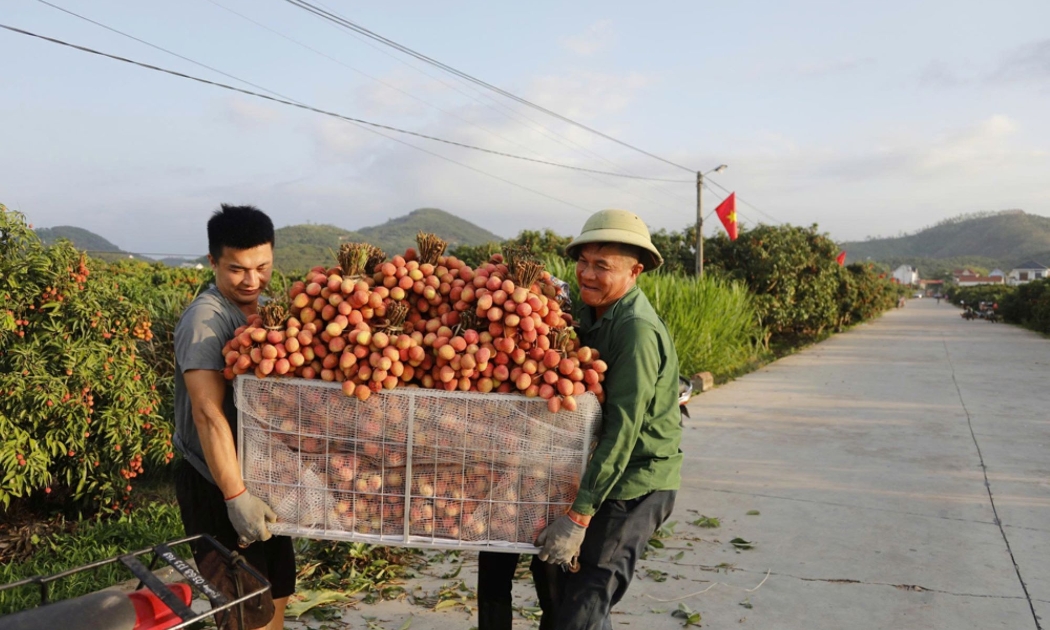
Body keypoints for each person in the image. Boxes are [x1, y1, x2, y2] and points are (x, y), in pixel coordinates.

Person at [530, 209, 682, 630]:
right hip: (594, 471)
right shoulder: (588, 312)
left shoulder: (636, 331)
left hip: (634, 482)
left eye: (602, 266)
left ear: (635, 272)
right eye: (583, 262)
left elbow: (623, 432)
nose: (587, 274)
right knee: (559, 599)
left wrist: (579, 516)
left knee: (584, 603)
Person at [173, 204, 293, 630]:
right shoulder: (205, 320)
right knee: (245, 617)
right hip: (217, 483)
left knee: (277, 596)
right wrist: (235, 497)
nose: (251, 280)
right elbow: (207, 412)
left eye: (262, 267)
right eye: (237, 269)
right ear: (213, 261)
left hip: (263, 480)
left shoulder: (269, 314)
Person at [475, 276, 575, 630]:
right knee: (495, 573)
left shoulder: (564, 352)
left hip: (549, 483)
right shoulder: (494, 354)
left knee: (550, 575)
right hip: (501, 479)